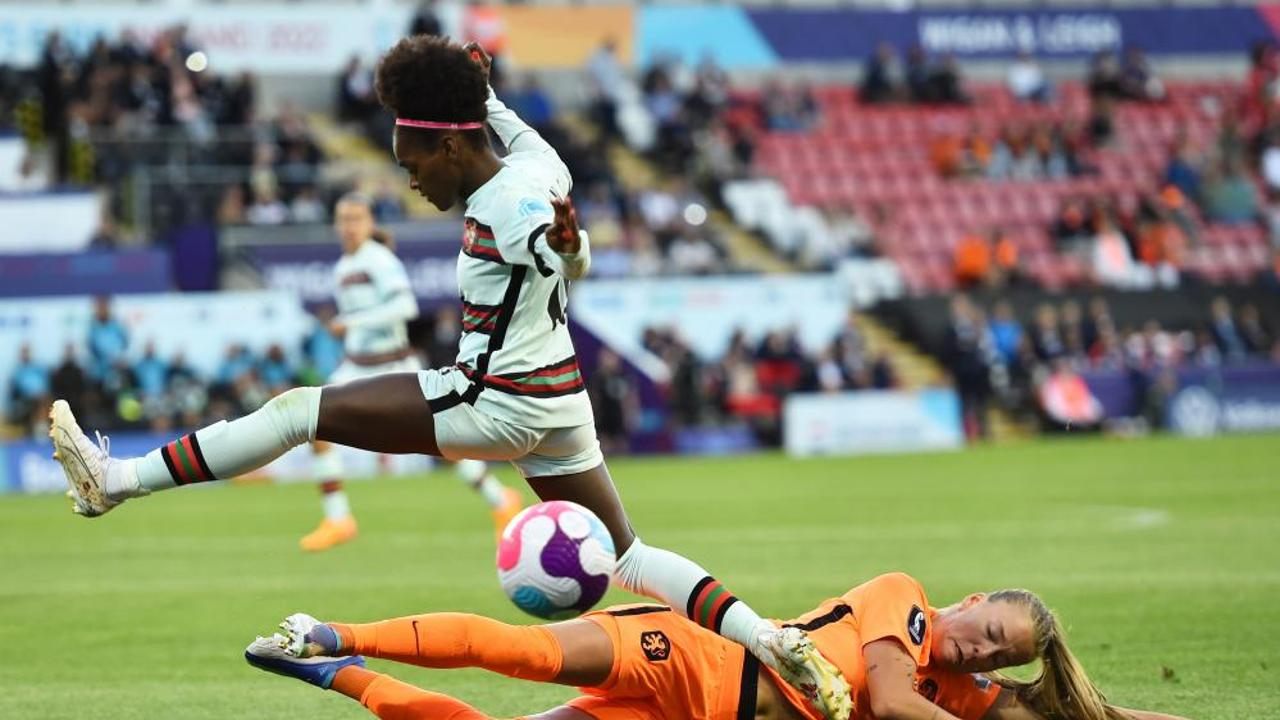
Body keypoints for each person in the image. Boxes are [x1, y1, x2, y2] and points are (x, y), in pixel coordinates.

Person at [48, 37, 850, 720]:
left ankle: (116, 481)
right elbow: (517, 156)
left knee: (297, 411)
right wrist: (481, 89)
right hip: (560, 399)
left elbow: (552, 247)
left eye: (413, 163)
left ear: (452, 150)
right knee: (629, 556)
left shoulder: (508, 207)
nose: (410, 180)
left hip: (494, 399)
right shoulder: (535, 160)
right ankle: (773, 640)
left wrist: (565, 247)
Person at [246, 572, 1195, 720]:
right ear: (972, 600)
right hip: (695, 654)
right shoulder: (903, 605)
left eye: (997, 658)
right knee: (524, 654)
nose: (981, 654)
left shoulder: (965, 695)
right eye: (987, 632)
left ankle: (336, 673)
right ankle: (334, 629)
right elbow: (889, 700)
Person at [301, 192, 522, 552]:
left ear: (370, 223)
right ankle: (339, 518)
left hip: (393, 364)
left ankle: (501, 500)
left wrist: (351, 322)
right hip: (358, 364)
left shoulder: (379, 259)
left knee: (444, 443)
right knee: (314, 424)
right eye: (343, 219)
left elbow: (406, 306)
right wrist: (350, 327)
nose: (349, 226)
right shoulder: (344, 266)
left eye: (356, 218)